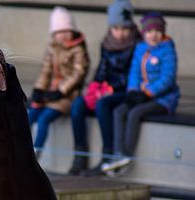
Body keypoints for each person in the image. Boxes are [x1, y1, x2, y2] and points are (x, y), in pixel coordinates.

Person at [102, 12, 180, 174]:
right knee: (119, 111)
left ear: (163, 32)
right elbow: (134, 73)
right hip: (142, 95)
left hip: (163, 98)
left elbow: (168, 78)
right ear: (144, 33)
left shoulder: (167, 49)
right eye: (150, 31)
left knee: (134, 113)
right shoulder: (141, 48)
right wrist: (132, 92)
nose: (154, 35)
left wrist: (148, 93)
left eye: (157, 31)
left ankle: (127, 154)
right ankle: (117, 153)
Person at [69, 0, 141, 176]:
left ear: (131, 27)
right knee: (78, 104)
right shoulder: (107, 43)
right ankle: (80, 155)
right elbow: (102, 69)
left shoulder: (137, 44)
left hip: (124, 91)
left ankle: (107, 155)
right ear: (111, 28)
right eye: (116, 28)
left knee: (103, 105)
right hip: (106, 89)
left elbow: (133, 74)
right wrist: (94, 86)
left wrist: (109, 88)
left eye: (125, 28)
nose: (121, 33)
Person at [28, 6, 89, 159]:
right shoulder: (52, 48)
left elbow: (78, 73)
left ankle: (35, 152)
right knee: (30, 115)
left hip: (67, 96)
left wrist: (61, 91)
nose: (61, 36)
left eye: (64, 31)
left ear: (71, 31)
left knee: (44, 119)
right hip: (49, 94)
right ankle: (17, 145)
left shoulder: (78, 49)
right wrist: (38, 89)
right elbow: (45, 71)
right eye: (57, 32)